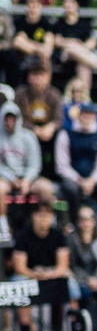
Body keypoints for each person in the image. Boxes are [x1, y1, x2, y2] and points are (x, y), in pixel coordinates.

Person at [11, 196, 70, 331]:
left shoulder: (58, 235)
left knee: (70, 286)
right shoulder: (23, 236)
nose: (43, 219)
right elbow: (19, 267)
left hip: (52, 274)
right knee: (20, 285)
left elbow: (63, 266)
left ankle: (64, 330)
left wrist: (50, 274)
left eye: (47, 215)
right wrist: (34, 274)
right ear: (33, 216)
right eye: (40, 215)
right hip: (29, 274)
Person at [54, 101, 97, 220]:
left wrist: (92, 181)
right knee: (70, 188)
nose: (86, 118)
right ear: (78, 115)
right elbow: (62, 165)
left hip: (94, 179)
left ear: (95, 116)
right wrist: (79, 180)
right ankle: (72, 221)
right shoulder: (65, 134)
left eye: (90, 114)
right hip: (73, 178)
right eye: (84, 114)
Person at [0, 101, 41, 241]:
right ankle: (3, 228)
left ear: (18, 119)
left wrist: (26, 180)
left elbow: (35, 164)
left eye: (12, 119)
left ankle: (46, 225)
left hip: (27, 178)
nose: (10, 122)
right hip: (5, 178)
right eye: (7, 119)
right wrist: (12, 179)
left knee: (46, 189)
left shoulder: (28, 137)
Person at [15, 56, 63, 169]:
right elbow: (17, 118)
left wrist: (51, 126)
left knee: (61, 136)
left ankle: (54, 171)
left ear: (48, 77)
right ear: (28, 77)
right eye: (34, 75)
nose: (37, 79)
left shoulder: (54, 94)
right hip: (27, 130)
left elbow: (59, 118)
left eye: (41, 75)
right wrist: (34, 129)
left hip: (48, 132)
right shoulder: (20, 94)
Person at [52, 0, 97, 79]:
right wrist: (73, 42)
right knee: (71, 48)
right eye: (66, 2)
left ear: (77, 5)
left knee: (84, 67)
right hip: (65, 56)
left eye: (71, 2)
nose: (68, 5)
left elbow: (92, 42)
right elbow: (57, 41)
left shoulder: (84, 24)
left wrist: (81, 47)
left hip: (82, 56)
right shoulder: (59, 23)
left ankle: (85, 88)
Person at [12, 0, 54, 66]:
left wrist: (28, 41)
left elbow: (48, 44)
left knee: (46, 51)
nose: (33, 8)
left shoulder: (46, 23)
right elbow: (17, 42)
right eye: (30, 5)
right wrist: (38, 48)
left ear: (40, 6)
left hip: (41, 56)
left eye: (35, 5)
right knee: (18, 41)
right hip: (25, 55)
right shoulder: (19, 21)